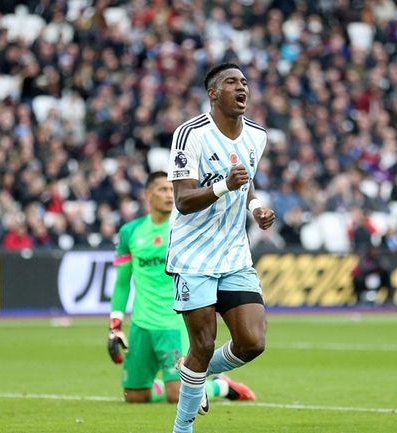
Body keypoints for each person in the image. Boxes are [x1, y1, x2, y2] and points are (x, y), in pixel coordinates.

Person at [166, 63, 275, 433]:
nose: (242, 86)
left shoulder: (257, 136)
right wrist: (225, 186)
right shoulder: (190, 134)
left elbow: (248, 186)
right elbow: (182, 200)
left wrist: (255, 207)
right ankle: (182, 428)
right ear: (214, 93)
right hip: (193, 254)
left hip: (233, 252)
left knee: (252, 341)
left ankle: (197, 370)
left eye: (245, 81)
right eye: (232, 82)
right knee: (204, 341)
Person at [108, 171, 256, 405]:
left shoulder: (186, 226)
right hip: (141, 324)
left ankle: (221, 387)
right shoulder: (130, 232)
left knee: (176, 395)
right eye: (162, 189)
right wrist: (115, 324)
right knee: (135, 396)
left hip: (174, 323)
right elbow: (122, 281)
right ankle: (182, 383)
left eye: (171, 189)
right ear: (147, 194)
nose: (169, 195)